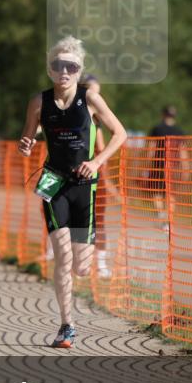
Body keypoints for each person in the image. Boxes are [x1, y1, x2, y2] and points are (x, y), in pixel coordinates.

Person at [19, 36, 127, 349]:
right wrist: (25, 145)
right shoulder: (39, 102)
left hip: (85, 187)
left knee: (81, 265)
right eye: (58, 65)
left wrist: (96, 162)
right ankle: (67, 325)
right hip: (54, 183)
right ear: (50, 70)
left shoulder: (90, 99)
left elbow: (119, 133)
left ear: (78, 70)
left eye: (71, 66)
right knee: (63, 258)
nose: (64, 71)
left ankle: (74, 299)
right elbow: (26, 141)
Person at [82, 74, 113, 278]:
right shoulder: (92, 119)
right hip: (89, 174)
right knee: (93, 220)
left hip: (91, 175)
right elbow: (102, 148)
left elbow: (101, 148)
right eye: (94, 92)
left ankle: (98, 263)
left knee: (93, 220)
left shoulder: (94, 120)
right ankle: (93, 264)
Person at [148, 105, 186, 231]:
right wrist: (185, 168)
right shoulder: (179, 132)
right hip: (173, 167)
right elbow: (183, 152)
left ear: (163, 114)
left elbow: (151, 148)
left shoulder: (157, 129)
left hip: (158, 165)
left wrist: (146, 164)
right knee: (171, 195)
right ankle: (168, 222)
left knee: (156, 192)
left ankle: (160, 214)